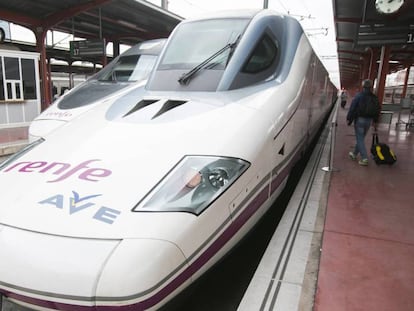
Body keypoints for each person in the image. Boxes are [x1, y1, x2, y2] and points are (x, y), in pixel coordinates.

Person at [346, 79, 380, 166]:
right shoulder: (374, 97)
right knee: (360, 138)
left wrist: (349, 118)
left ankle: (364, 158)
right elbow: (377, 109)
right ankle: (354, 154)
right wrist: (375, 121)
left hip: (360, 120)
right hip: (369, 121)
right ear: (371, 87)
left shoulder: (359, 96)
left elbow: (353, 107)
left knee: (360, 139)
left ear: (363, 86)